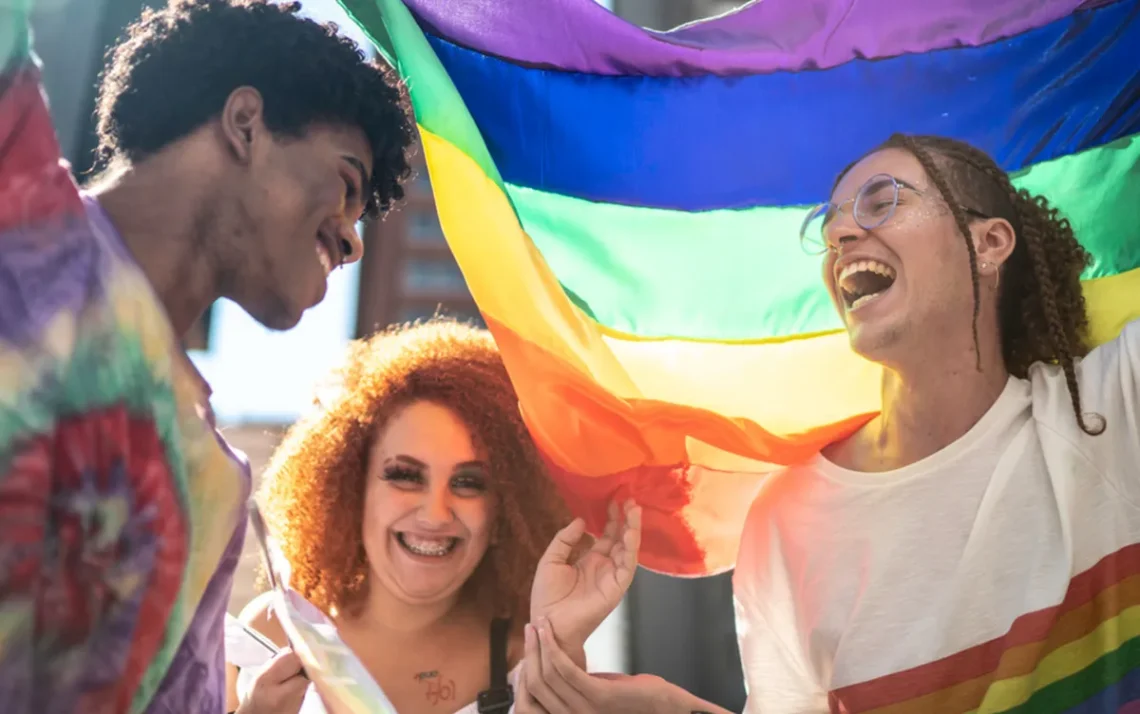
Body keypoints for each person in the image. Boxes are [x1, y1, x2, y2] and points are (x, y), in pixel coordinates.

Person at [515, 133, 1140, 713]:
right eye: (831, 220)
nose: (842, 231)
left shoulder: (1112, 411)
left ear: (989, 244)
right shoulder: (788, 522)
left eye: (881, 201)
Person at [0, 0, 413, 711]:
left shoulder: (211, 485)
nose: (353, 242)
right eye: (347, 185)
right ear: (246, 123)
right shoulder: (17, 203)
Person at [226, 319, 640, 714]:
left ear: (505, 511)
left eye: (468, 483)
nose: (435, 512)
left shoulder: (522, 649)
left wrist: (560, 643)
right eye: (405, 476)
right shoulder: (274, 629)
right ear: (352, 489)